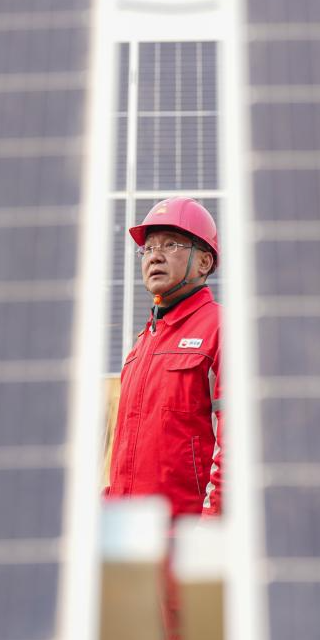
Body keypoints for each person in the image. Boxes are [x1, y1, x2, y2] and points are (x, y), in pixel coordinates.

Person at [105, 196, 223, 519]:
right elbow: (127, 456)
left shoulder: (222, 330)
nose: (154, 256)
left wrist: (209, 527)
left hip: (186, 538)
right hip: (129, 538)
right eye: (148, 248)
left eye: (170, 244)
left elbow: (237, 445)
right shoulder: (140, 347)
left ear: (204, 262)